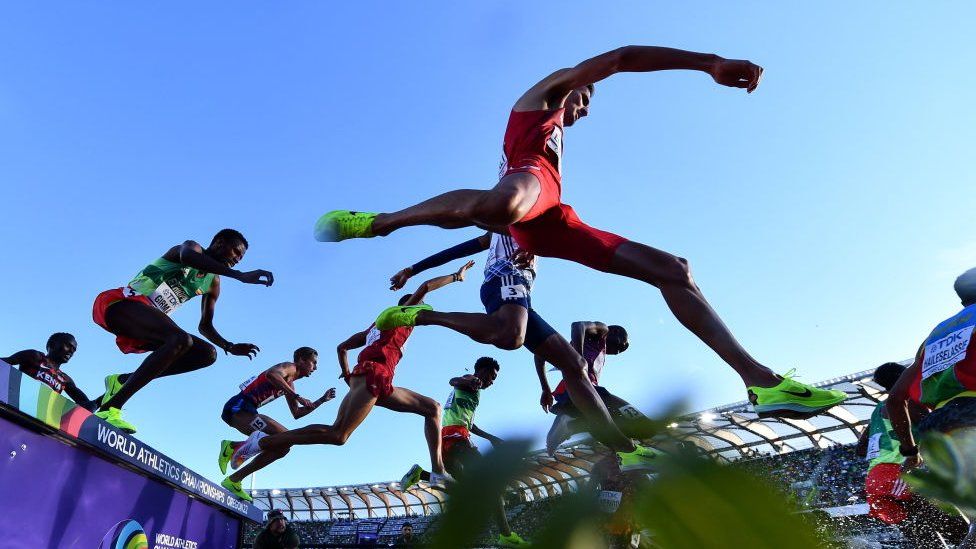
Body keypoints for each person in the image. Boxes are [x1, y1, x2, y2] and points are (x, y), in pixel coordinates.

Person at [316, 45, 845, 420]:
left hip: (551, 219)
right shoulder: (542, 98)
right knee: (504, 204)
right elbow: (619, 59)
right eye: (585, 98)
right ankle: (379, 223)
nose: (585, 110)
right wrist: (708, 64)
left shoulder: (558, 144)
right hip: (525, 191)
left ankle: (761, 380)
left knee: (674, 271)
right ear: (573, 84)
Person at [388, 234, 658, 469]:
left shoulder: (534, 227)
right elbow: (462, 246)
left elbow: (556, 241)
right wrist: (413, 269)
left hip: (523, 297)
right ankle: (425, 316)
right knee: (511, 336)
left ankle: (627, 451)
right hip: (503, 280)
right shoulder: (509, 217)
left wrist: (545, 387)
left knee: (574, 364)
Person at [222, 263, 472, 501]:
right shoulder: (403, 313)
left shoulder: (376, 327)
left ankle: (437, 471)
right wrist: (456, 277)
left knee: (432, 408)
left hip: (372, 378)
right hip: (374, 375)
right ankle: (254, 444)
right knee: (338, 435)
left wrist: (349, 377)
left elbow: (342, 347)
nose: (423, 318)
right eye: (423, 312)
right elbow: (426, 286)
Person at [90, 228, 274, 433]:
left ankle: (122, 381)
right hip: (121, 304)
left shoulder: (213, 282)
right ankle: (110, 409)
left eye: (242, 257)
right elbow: (187, 256)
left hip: (148, 322)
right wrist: (239, 276)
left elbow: (205, 326)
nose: (239, 260)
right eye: (236, 252)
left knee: (206, 354)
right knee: (180, 339)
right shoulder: (192, 247)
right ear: (220, 242)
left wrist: (228, 345)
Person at [888, 267, 976, 548]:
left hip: (935, 431)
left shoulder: (935, 336)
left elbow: (896, 399)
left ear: (962, 301)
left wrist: (911, 452)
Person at [399, 357, 529, 547]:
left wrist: (490, 437)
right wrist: (470, 381)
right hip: (457, 438)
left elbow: (470, 424)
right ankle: (506, 536)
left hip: (447, 438)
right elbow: (454, 380)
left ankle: (422, 474)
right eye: (491, 377)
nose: (492, 382)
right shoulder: (470, 381)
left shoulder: (471, 396)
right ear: (481, 371)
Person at [856, 362, 968, 547]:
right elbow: (936, 428)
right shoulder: (906, 401)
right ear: (905, 376)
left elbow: (860, 449)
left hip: (875, 481)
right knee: (959, 526)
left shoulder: (878, 410)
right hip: (899, 472)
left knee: (927, 540)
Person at [217, 347, 336, 478]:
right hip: (238, 407)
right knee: (287, 437)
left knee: (284, 445)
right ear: (301, 360)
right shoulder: (290, 367)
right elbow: (272, 374)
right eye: (314, 362)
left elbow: (297, 413)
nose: (315, 368)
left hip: (249, 410)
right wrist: (297, 397)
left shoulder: (289, 384)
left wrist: (321, 400)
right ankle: (233, 447)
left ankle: (235, 478)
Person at [537, 322, 654, 455]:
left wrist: (545, 388)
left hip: (579, 394)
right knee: (646, 427)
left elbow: (539, 354)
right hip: (582, 389)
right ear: (615, 332)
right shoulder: (602, 330)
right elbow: (578, 325)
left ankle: (571, 422)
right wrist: (578, 358)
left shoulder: (584, 348)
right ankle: (570, 423)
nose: (618, 352)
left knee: (604, 430)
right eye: (622, 345)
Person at [2, 333, 96, 410]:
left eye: (74, 350)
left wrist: (106, 400)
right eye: (68, 346)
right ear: (53, 344)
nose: (71, 351)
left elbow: (88, 405)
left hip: (39, 420)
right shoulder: (34, 356)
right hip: (15, 408)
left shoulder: (65, 379)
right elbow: (4, 362)